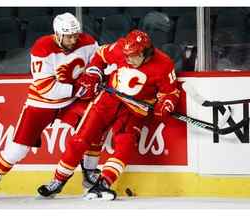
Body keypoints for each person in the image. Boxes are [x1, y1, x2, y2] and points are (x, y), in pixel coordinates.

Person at [37, 29, 180, 200]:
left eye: (133, 55)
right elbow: (99, 56)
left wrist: (166, 104)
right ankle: (58, 181)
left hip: (133, 110)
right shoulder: (120, 48)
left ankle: (103, 183)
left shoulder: (164, 63)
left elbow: (170, 92)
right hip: (108, 99)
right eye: (126, 55)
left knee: (125, 144)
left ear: (145, 52)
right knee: (81, 138)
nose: (127, 59)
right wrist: (94, 75)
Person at [0, 12, 102, 199]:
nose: (74, 39)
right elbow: (45, 88)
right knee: (18, 148)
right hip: (41, 103)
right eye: (69, 36)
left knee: (94, 126)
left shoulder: (87, 42)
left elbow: (98, 62)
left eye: (75, 35)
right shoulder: (42, 48)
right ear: (58, 34)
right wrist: (79, 90)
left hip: (71, 103)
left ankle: (89, 175)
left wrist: (94, 75)